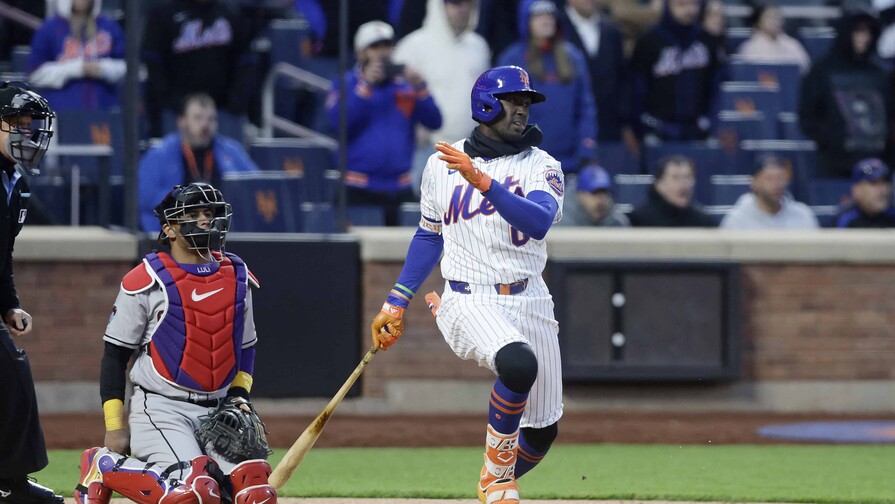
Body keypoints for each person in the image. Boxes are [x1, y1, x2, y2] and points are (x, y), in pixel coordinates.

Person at [369, 66, 563, 504]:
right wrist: (396, 301)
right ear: (487, 105)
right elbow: (429, 235)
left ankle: (492, 476)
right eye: (514, 101)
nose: (522, 110)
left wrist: (484, 183)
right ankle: (498, 480)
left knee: (543, 432)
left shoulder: (542, 165)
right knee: (518, 365)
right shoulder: (442, 162)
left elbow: (537, 222)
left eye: (527, 102)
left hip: (531, 296)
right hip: (467, 295)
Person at [73, 182, 277, 504]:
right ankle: (103, 466)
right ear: (169, 229)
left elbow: (246, 347)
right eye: (193, 215)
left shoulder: (237, 276)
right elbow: (114, 356)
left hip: (220, 412)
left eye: (208, 213)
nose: (205, 220)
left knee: (256, 493)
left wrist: (240, 395)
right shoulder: (146, 279)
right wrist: (115, 426)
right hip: (162, 408)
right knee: (194, 493)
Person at [0, 84, 64, 504]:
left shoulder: (16, 183)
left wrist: (9, 304)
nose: (27, 134)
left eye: (30, 126)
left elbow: (1, 255)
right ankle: (11, 484)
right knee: (11, 374)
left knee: (12, 377)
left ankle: (10, 482)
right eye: (17, 125)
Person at [326, 20, 442, 226]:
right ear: (361, 53)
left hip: (399, 189)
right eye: (374, 46)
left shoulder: (405, 87)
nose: (382, 52)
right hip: (357, 188)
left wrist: (420, 87)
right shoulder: (346, 83)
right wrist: (365, 87)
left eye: (387, 45)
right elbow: (337, 124)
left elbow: (434, 121)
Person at [393, 0, 491, 198]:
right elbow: (393, 96)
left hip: (470, 151)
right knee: (422, 211)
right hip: (426, 149)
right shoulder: (413, 45)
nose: (462, 10)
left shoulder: (479, 47)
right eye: (455, 4)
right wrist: (412, 125)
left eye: (468, 4)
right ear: (438, 6)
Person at [497, 0, 597, 176]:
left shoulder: (573, 57)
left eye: (550, 15)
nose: (546, 20)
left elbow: (586, 107)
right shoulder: (511, 60)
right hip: (524, 162)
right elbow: (502, 111)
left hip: (569, 162)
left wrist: (586, 147)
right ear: (526, 21)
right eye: (539, 15)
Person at [138, 93, 259, 232]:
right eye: (198, 118)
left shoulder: (231, 151)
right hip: (177, 229)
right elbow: (143, 195)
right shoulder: (160, 154)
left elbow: (257, 186)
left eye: (211, 119)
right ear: (182, 122)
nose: (205, 125)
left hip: (223, 229)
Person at [798, 8, 891, 178]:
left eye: (868, 32)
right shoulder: (823, 71)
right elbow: (808, 116)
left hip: (874, 165)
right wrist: (831, 139)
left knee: (872, 188)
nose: (864, 37)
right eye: (858, 31)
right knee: (838, 193)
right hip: (836, 164)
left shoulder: (880, 74)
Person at [142, 0, 255, 137]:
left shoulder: (232, 14)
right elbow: (153, 63)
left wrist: (235, 103)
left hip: (224, 111)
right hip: (176, 112)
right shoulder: (162, 15)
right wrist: (170, 101)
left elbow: (246, 63)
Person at [628, 0, 726, 143]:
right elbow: (637, 88)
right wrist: (643, 125)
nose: (689, 10)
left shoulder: (707, 39)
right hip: (657, 129)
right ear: (668, 6)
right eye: (681, 4)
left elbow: (715, 87)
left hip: (699, 130)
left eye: (693, 4)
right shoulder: (649, 40)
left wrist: (709, 123)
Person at [28, 0, 126, 112]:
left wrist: (102, 68)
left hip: (104, 110)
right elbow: (36, 74)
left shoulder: (109, 27)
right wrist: (76, 69)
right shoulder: (49, 28)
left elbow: (128, 69)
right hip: (60, 110)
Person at [557, 0, 627, 142]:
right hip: (565, 131)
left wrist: (625, 122)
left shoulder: (612, 31)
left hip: (608, 130)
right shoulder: (554, 28)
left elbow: (622, 79)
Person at [720, 155, 818, 229]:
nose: (776, 184)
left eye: (780, 178)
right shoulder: (737, 219)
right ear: (753, 184)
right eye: (769, 179)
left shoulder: (803, 214)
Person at [629, 155, 716, 227]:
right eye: (675, 178)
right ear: (659, 184)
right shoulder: (638, 220)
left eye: (688, 177)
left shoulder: (704, 222)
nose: (684, 184)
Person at [736, 1, 811, 73]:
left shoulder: (793, 45)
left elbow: (805, 70)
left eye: (777, 17)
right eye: (770, 17)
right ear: (758, 22)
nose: (776, 21)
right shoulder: (749, 48)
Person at [558, 165, 630, 226]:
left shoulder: (617, 223)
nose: (601, 200)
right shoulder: (562, 223)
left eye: (604, 193)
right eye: (595, 193)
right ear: (580, 194)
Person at [836, 158, 895, 228]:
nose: (883, 190)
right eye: (874, 183)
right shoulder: (844, 222)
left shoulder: (892, 217)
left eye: (885, 183)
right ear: (857, 190)